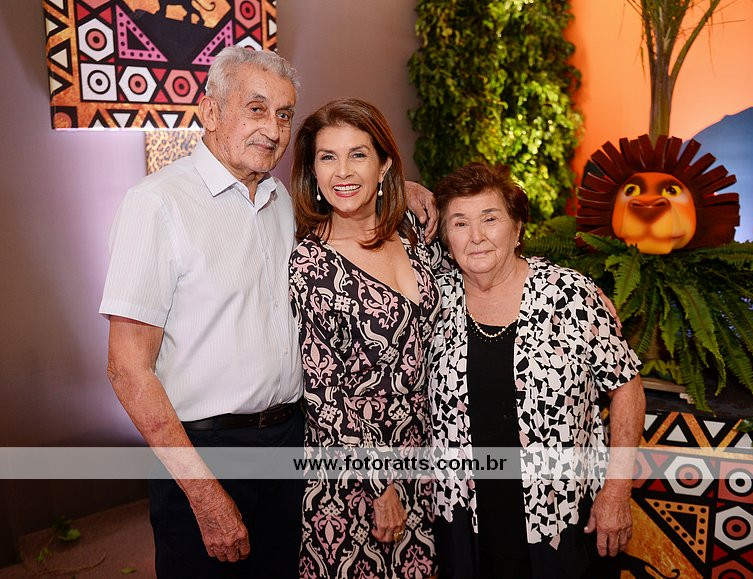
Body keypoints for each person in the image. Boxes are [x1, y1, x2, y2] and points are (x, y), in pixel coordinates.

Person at [100, 47, 436, 578]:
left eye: (284, 114)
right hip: (207, 449)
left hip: (292, 442)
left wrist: (399, 188)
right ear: (210, 112)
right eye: (256, 109)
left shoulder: (282, 200)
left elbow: (348, 207)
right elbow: (126, 369)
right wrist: (206, 495)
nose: (274, 129)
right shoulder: (158, 204)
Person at [428, 162, 646, 578]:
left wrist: (617, 491)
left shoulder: (571, 295)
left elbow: (627, 388)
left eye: (490, 218)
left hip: (565, 521)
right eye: (460, 223)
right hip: (466, 524)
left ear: (517, 228)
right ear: (445, 238)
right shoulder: (432, 299)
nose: (476, 236)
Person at [289, 98, 440, 578]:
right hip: (354, 471)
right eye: (327, 157)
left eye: (358, 154)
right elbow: (325, 394)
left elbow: (478, 272)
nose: (342, 172)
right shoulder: (311, 264)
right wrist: (380, 485)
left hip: (424, 453)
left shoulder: (413, 233)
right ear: (313, 172)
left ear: (384, 164)